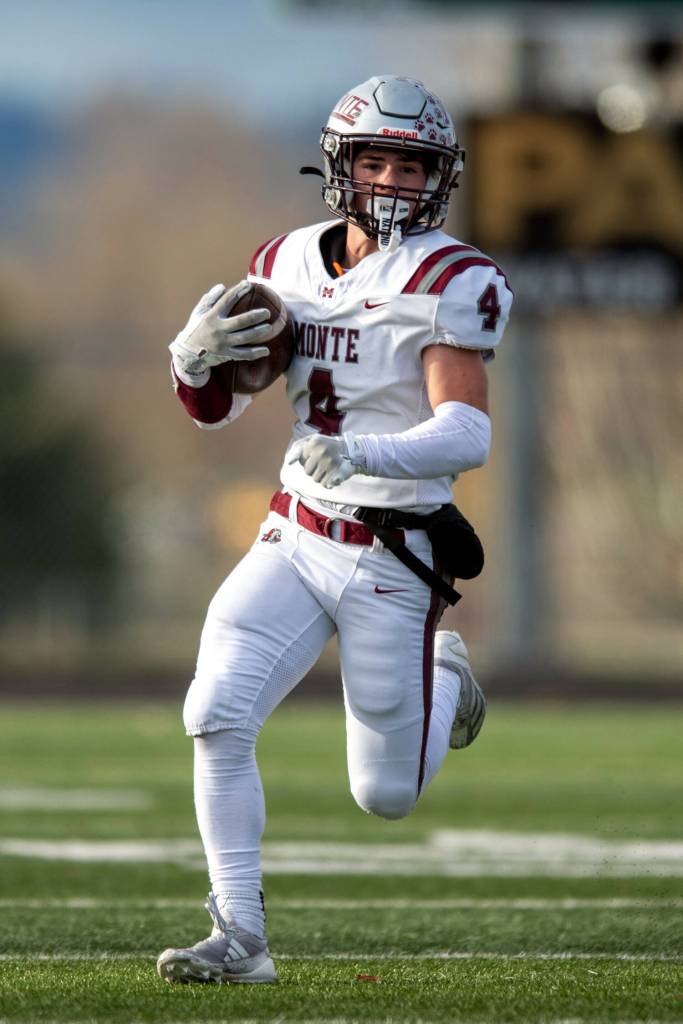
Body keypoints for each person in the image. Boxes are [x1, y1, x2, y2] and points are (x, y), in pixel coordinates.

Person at [157, 74, 513, 985]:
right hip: (296, 529)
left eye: (410, 165)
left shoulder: (448, 278)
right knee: (214, 715)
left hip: (393, 550)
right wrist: (192, 364)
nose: (391, 181)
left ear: (439, 178)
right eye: (376, 161)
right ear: (340, 166)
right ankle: (240, 935)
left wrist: (367, 455)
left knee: (384, 796)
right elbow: (214, 412)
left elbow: (466, 433)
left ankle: (443, 668)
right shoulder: (283, 263)